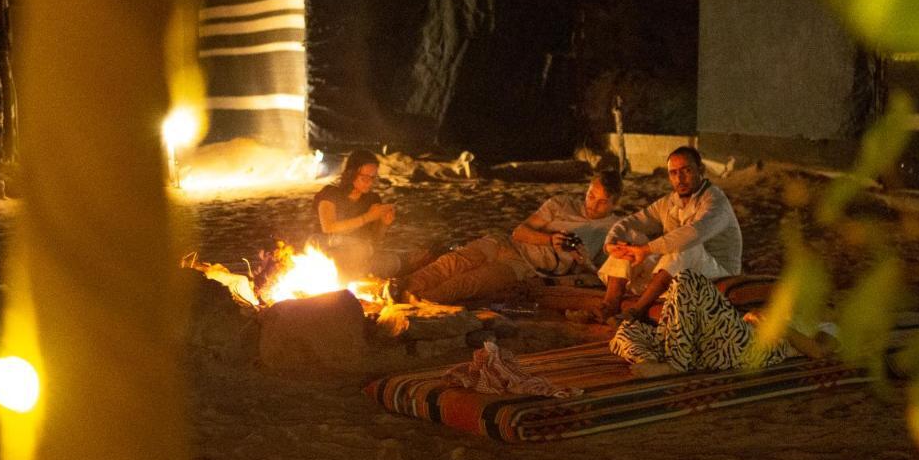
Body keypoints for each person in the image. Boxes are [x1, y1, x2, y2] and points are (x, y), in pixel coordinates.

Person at [400, 170, 623, 305]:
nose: (592, 204)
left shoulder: (613, 229)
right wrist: (549, 239)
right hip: (506, 243)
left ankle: (417, 302)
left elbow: (601, 275)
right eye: (591, 195)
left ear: (615, 203)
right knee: (453, 262)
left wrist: (582, 261)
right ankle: (400, 289)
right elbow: (519, 232)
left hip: (524, 266)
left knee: (469, 282)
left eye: (602, 201)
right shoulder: (561, 203)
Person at [598, 146, 741, 321]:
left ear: (700, 170)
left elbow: (692, 233)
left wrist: (647, 249)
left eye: (686, 171)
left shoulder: (715, 202)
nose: (679, 179)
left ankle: (636, 311)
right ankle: (608, 307)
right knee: (628, 242)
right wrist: (611, 242)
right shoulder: (669, 202)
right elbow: (631, 222)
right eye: (673, 173)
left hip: (717, 273)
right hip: (677, 271)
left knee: (686, 245)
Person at [609, 271, 838, 378]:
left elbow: (819, 351)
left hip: (752, 348)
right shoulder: (788, 310)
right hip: (721, 346)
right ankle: (652, 360)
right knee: (628, 330)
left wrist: (776, 326)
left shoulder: (827, 323)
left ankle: (674, 365)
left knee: (688, 280)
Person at [311, 150, 399, 277]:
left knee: (392, 262)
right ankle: (352, 272)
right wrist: (368, 217)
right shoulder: (330, 194)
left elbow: (374, 240)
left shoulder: (372, 199)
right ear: (351, 174)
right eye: (364, 178)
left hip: (356, 250)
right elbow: (328, 227)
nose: (370, 182)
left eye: (373, 178)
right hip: (326, 246)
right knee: (360, 249)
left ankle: (352, 272)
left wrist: (384, 224)